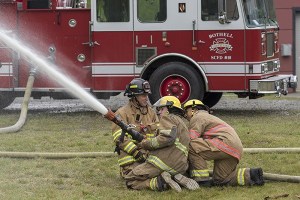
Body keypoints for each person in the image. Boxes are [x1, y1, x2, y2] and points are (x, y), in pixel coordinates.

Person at [123, 96, 199, 192]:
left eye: (162, 109)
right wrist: (148, 139)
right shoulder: (182, 123)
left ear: (170, 108)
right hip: (180, 167)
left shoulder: (168, 117)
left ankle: (160, 182)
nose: (159, 112)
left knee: (130, 179)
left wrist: (146, 144)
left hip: (163, 163)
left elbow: (167, 138)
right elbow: (169, 138)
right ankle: (175, 178)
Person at [182, 99, 264, 187]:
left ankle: (202, 181)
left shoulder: (198, 116)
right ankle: (252, 175)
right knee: (220, 180)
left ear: (193, 110)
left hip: (224, 144)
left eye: (186, 111)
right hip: (235, 149)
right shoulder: (209, 117)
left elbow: (191, 138)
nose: (185, 115)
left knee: (191, 146)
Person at [110, 78, 159, 178]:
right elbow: (120, 139)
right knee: (137, 176)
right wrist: (136, 153)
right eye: (143, 95)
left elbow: (159, 132)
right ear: (134, 96)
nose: (146, 98)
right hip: (132, 157)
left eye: (147, 95)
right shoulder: (121, 113)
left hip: (150, 154)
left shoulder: (151, 112)